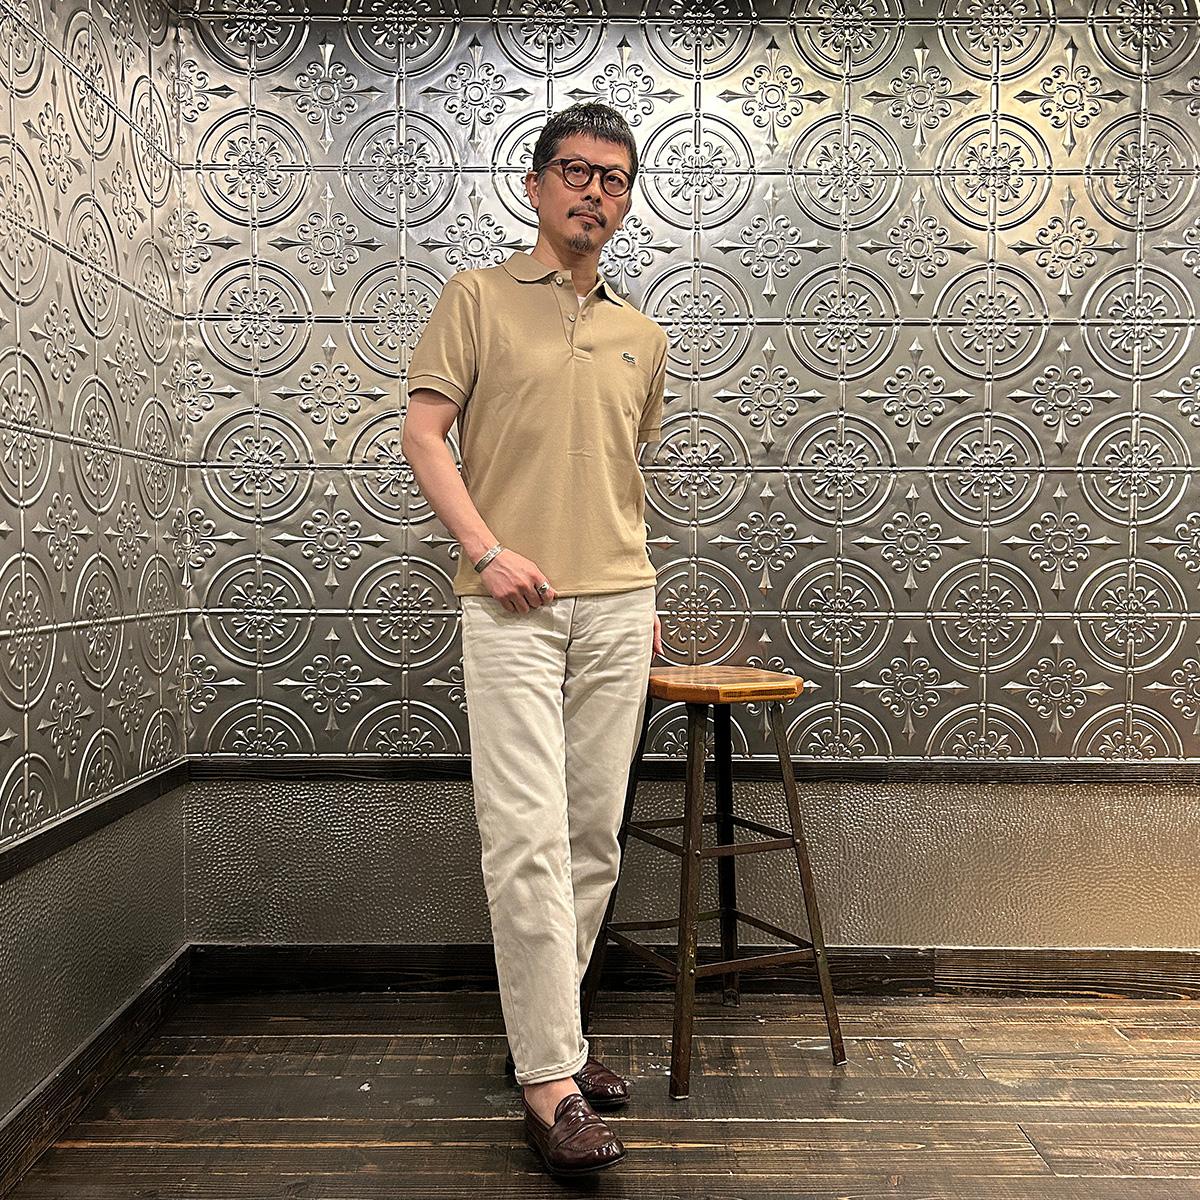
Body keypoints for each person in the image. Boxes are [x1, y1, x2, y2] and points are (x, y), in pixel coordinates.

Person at [400, 102, 668, 1178]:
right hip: (510, 604)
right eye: (574, 171)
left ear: (627, 200)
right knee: (524, 836)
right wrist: (488, 549)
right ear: (536, 183)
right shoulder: (475, 297)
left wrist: (642, 589)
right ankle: (551, 1083)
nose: (593, 191)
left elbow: (622, 478)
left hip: (617, 605)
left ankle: (555, 1034)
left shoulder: (642, 334)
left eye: (614, 178)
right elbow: (425, 435)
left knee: (591, 839)